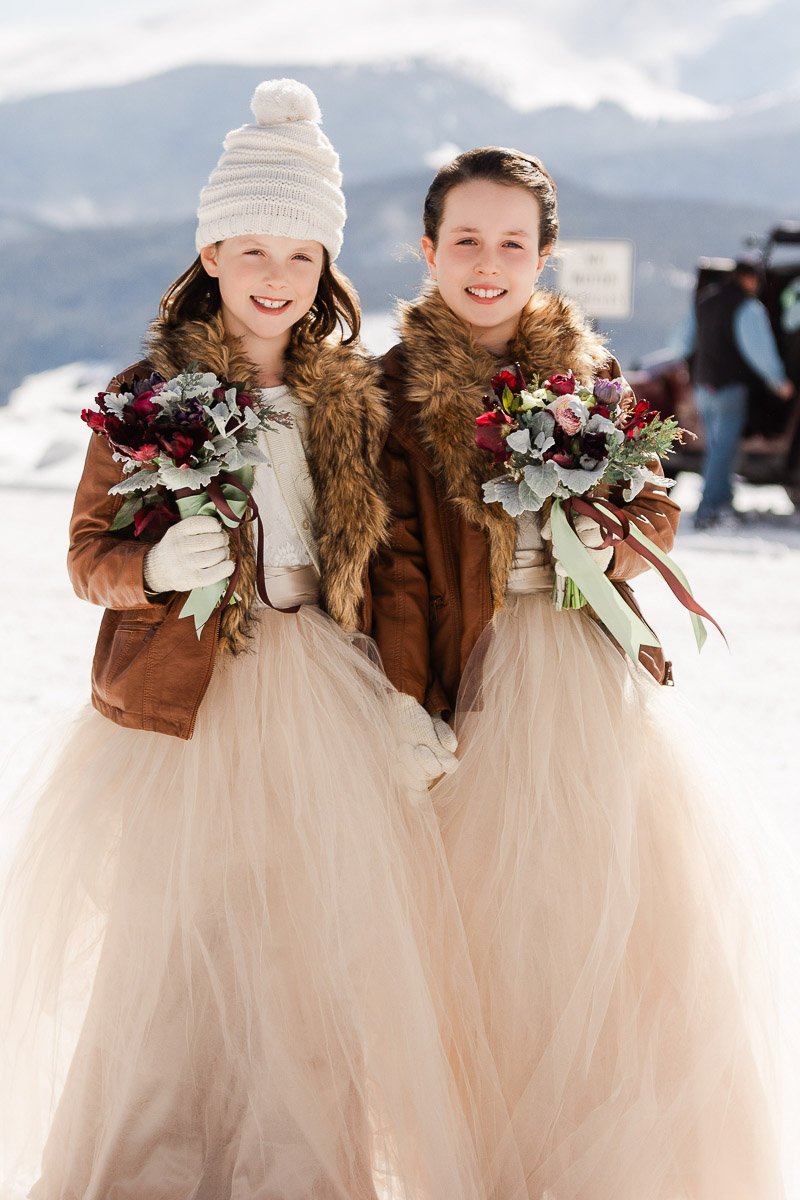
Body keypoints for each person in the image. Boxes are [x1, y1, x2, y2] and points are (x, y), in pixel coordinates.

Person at [0, 83, 520, 1200]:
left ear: (323, 266)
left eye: (298, 253)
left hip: (318, 696)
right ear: (211, 254)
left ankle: (295, 1173)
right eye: (251, 251)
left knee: (304, 957)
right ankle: (148, 1169)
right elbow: (88, 551)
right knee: (174, 950)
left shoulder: (347, 403)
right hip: (190, 707)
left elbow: (386, 571)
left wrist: (399, 695)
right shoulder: (151, 398)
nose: (274, 277)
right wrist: (148, 572)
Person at [369, 146, 786, 1199]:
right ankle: (484, 1158)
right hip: (471, 676)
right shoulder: (388, 389)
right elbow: (396, 565)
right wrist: (413, 701)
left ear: (543, 257)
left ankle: (598, 1160)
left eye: (512, 243)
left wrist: (606, 540)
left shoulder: (587, 375)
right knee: (479, 937)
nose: (485, 263)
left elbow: (650, 493)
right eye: (464, 240)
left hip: (576, 672)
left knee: (600, 919)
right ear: (427, 250)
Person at [679, 259, 793, 529]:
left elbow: (680, 343)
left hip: (703, 386)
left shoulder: (706, 300)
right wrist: (778, 381)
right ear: (749, 279)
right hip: (730, 388)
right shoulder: (748, 306)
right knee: (724, 450)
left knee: (715, 449)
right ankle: (710, 509)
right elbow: (758, 350)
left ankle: (720, 502)